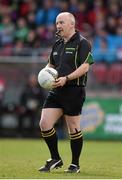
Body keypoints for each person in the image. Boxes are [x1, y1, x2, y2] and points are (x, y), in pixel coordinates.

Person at [38, 12, 94, 173]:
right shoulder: (57, 44)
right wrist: (45, 74)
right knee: (44, 123)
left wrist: (66, 78)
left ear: (72, 24)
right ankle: (55, 158)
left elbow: (85, 67)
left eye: (61, 23)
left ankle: (75, 164)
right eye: (57, 23)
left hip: (74, 91)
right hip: (56, 90)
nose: (58, 26)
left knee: (73, 128)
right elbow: (50, 65)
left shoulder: (83, 43)